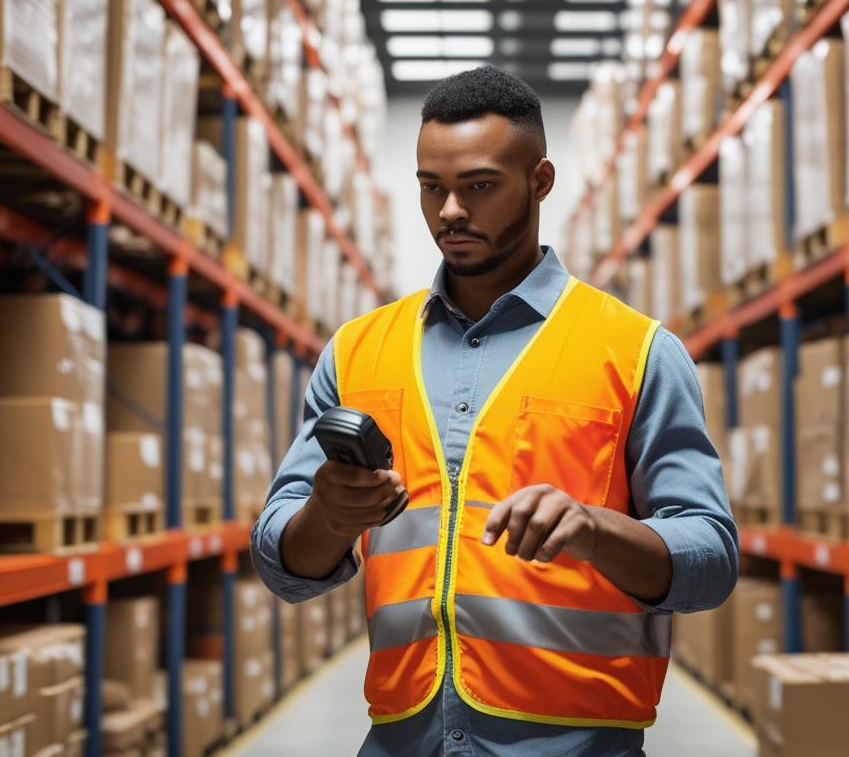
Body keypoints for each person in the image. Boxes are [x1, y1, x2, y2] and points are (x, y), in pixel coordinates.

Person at [251, 65, 737, 757]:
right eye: (431, 188)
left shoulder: (635, 352)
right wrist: (326, 517)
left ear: (540, 182)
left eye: (479, 187)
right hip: (401, 740)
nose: (450, 212)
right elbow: (282, 565)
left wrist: (596, 530)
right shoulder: (357, 352)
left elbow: (712, 557)